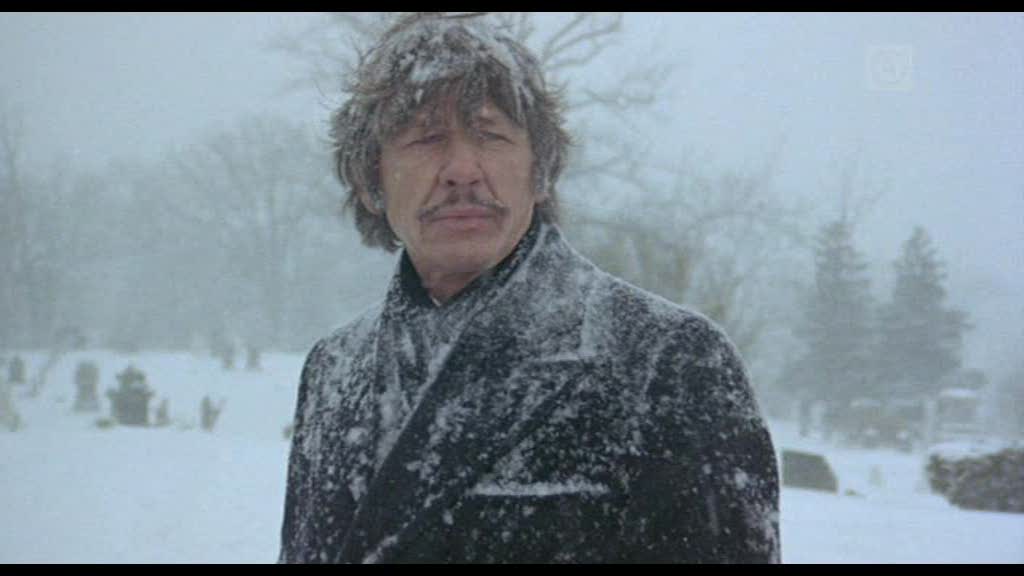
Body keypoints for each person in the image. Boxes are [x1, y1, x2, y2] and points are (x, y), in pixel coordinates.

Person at [279, 12, 780, 564]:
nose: (462, 169)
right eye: (426, 137)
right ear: (370, 178)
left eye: (490, 134)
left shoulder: (670, 362)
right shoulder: (333, 367)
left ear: (540, 170)